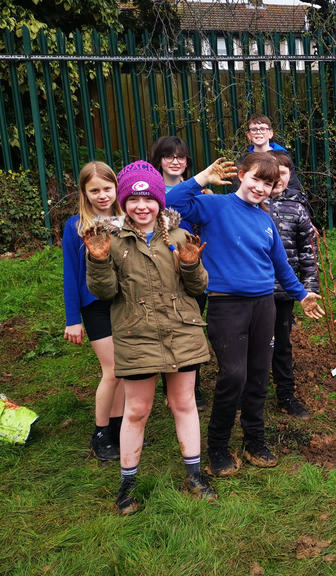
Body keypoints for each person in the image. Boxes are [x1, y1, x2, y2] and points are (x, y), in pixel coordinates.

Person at [166, 153, 325, 477]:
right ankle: (218, 448)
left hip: (264, 305)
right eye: (255, 179)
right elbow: (169, 201)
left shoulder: (264, 220)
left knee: (257, 375)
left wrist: (302, 295)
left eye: (268, 183)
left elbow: (280, 265)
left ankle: (255, 441)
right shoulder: (215, 207)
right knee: (233, 375)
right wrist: (201, 179)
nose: (261, 187)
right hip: (227, 306)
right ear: (241, 175)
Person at [84, 160, 217, 515]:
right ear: (124, 203)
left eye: (149, 199)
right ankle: (127, 486)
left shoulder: (178, 238)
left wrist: (190, 265)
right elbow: (105, 292)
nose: (141, 206)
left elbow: (199, 287)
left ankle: (194, 476)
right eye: (133, 200)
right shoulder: (109, 242)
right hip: (136, 333)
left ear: (159, 201)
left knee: (184, 403)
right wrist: (98, 262)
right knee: (138, 410)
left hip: (181, 331)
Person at [62, 161, 125, 461]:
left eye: (107, 189)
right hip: (95, 307)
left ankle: (120, 430)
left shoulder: (128, 221)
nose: (102, 195)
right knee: (112, 370)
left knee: (126, 371)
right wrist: (73, 319)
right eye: (94, 190)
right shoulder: (75, 226)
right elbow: (70, 275)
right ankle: (100, 434)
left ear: (116, 188)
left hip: (125, 303)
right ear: (85, 193)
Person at [148, 135, 208, 409]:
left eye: (181, 157)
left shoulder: (200, 190)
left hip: (193, 267)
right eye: (169, 156)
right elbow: (168, 200)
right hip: (162, 268)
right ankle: (168, 385)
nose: (175, 161)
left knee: (192, 326)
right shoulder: (150, 191)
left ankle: (192, 387)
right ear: (159, 160)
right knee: (168, 325)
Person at [267, 150, 319, 419]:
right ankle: (249, 393)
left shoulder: (297, 208)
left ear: (289, 176)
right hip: (256, 291)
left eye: (283, 172)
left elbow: (308, 251)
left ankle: (286, 395)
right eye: (272, 172)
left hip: (286, 291)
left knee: (282, 344)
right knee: (256, 343)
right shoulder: (253, 204)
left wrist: (310, 286)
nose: (277, 178)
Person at [244, 114, 303, 192]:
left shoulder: (282, 156)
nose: (258, 132)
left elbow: (293, 185)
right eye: (254, 129)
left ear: (270, 133)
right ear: (249, 135)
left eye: (262, 129)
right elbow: (238, 187)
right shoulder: (244, 160)